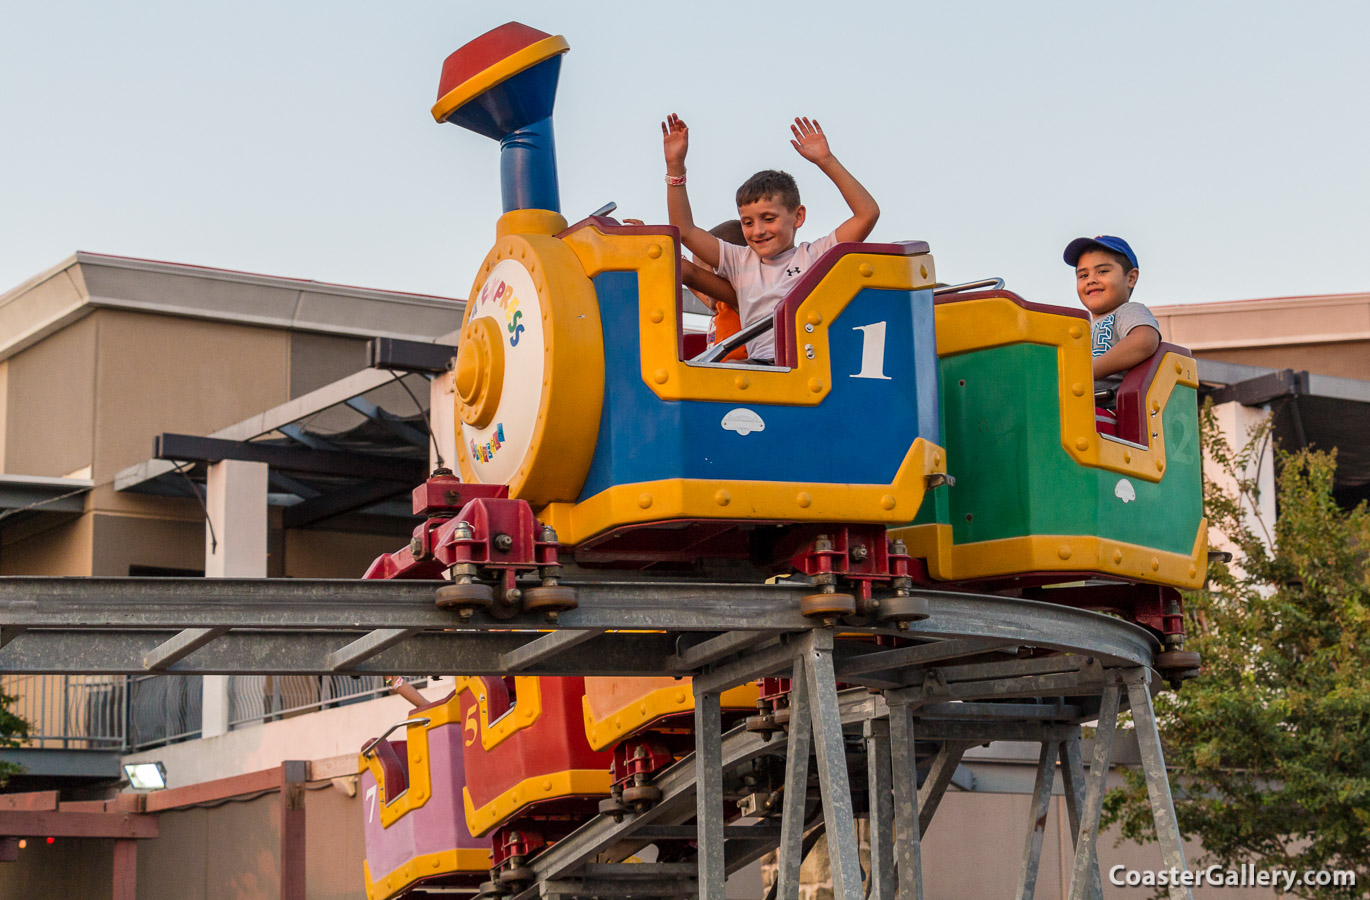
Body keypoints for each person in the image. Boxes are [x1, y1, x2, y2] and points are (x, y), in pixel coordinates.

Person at [662, 114, 879, 363]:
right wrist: (675, 168)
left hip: (803, 365)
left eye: (768, 218)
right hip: (760, 366)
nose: (758, 231)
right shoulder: (739, 260)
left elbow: (867, 214)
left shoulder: (815, 257)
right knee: (720, 368)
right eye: (748, 222)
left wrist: (826, 161)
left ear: (798, 217)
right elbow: (686, 231)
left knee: (729, 367)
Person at [1063, 235, 1161, 400]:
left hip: (1105, 410)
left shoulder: (1127, 311)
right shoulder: (1079, 328)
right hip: (1074, 405)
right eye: (1083, 276)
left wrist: (1087, 372)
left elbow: (1144, 341)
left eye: (1102, 271)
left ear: (1130, 278)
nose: (1091, 280)